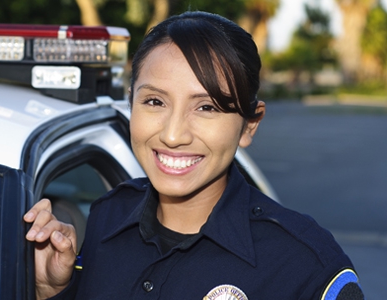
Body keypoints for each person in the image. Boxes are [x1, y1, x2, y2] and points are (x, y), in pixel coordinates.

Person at [24, 11, 364, 300]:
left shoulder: (305, 266)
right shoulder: (107, 217)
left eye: (206, 107)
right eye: (155, 102)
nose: (173, 135)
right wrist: (53, 290)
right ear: (131, 105)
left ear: (249, 125)